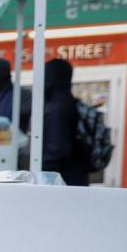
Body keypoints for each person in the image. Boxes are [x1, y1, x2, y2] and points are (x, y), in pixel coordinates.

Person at [41, 58, 90, 187]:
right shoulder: (68, 102)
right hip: (75, 176)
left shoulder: (57, 107)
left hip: (62, 180)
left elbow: (57, 149)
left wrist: (39, 169)